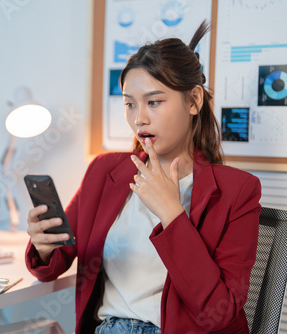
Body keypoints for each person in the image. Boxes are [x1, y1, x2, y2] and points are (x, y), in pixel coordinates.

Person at [25, 21, 261, 334]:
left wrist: (172, 214)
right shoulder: (104, 171)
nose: (139, 118)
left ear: (193, 101)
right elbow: (54, 264)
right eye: (129, 104)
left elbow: (217, 313)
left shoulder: (238, 191)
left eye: (154, 102)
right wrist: (43, 245)